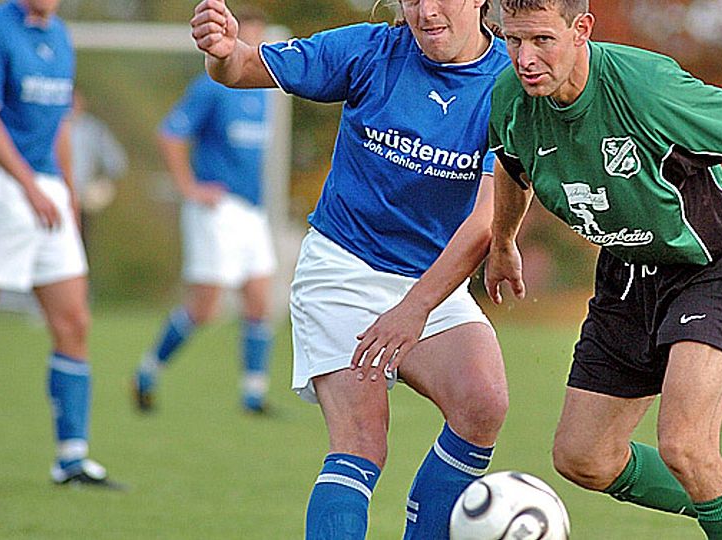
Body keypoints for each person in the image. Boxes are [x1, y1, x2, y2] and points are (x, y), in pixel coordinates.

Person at [481, 0, 722, 538]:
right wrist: (503, 241)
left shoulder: (647, 89)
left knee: (685, 446)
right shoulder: (510, 97)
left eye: (542, 40)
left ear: (581, 30)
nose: (525, 58)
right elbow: (512, 162)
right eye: (514, 40)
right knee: (583, 456)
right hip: (627, 272)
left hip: (710, 265)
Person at [189, 0, 511, 537]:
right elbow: (242, 67)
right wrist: (222, 52)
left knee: (483, 403)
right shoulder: (369, 50)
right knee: (363, 442)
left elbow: (484, 222)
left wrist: (414, 308)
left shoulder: (508, 83)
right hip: (342, 271)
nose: (426, 11)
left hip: (430, 281)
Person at [0, 0, 122, 488]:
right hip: (8, 183)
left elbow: (61, 124)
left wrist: (66, 190)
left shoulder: (61, 35)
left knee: (73, 320)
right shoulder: (1, 26)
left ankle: (72, 459)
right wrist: (28, 186)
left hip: (46, 187)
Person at [132, 7, 277, 414]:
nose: (254, 43)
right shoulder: (211, 87)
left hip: (252, 209)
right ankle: (147, 372)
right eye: (247, 35)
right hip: (217, 210)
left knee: (259, 301)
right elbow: (171, 134)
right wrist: (189, 188)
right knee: (205, 307)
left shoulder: (262, 91)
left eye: (259, 35)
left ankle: (253, 395)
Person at [70, 88, 127, 231]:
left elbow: (116, 161)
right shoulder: (50, 126)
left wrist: (102, 184)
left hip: (81, 198)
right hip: (52, 194)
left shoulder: (93, 129)